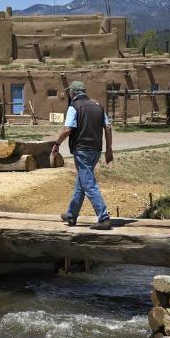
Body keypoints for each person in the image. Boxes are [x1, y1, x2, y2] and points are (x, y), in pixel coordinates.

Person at [52, 80, 113, 230]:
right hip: (96, 151)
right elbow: (108, 127)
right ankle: (71, 215)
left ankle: (104, 218)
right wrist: (109, 149)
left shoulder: (74, 107)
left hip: (82, 150)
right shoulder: (98, 106)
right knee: (82, 182)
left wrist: (56, 144)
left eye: (70, 92)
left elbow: (67, 130)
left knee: (88, 184)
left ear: (73, 93)